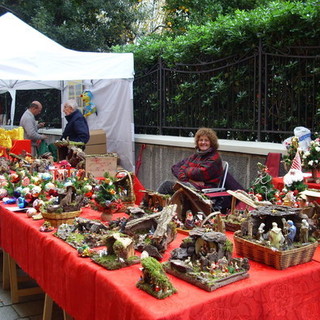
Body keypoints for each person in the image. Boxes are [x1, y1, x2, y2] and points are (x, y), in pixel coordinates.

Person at [157, 127, 223, 194]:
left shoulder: (214, 157)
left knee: (167, 186)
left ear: (211, 142)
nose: (203, 142)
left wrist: (186, 170)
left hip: (204, 189)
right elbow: (177, 168)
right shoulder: (195, 156)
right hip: (193, 185)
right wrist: (190, 180)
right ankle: (152, 203)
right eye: (201, 140)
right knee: (167, 185)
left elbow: (200, 173)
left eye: (206, 140)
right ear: (197, 142)